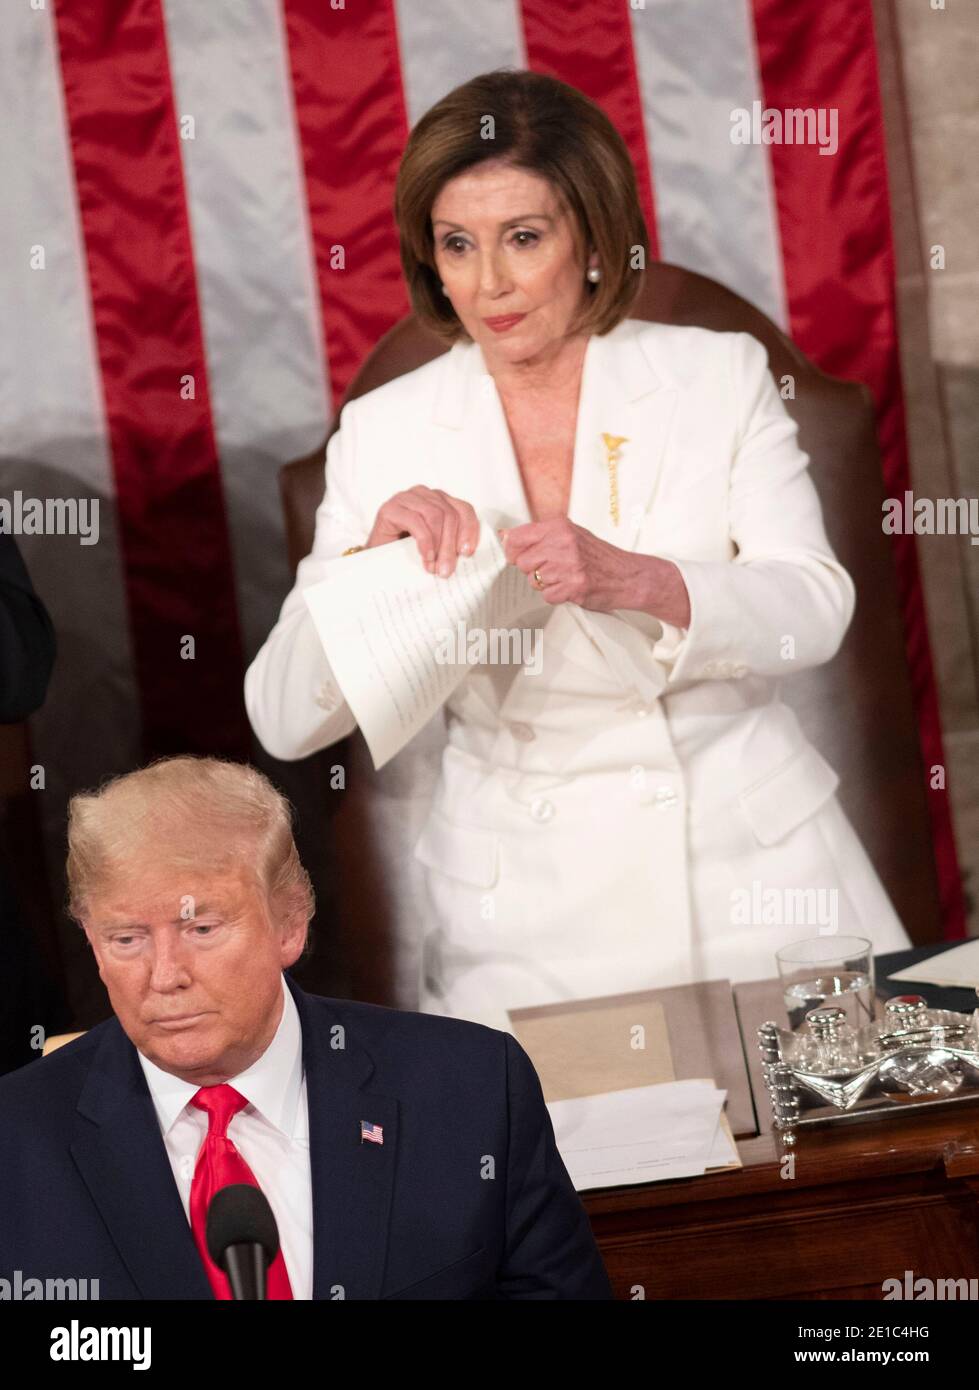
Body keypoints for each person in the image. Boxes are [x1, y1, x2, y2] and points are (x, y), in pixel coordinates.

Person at [244, 68, 911, 1035]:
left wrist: (639, 581)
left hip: (753, 881)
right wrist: (365, 574)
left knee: (841, 1180)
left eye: (524, 238)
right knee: (561, 1182)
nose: (489, 284)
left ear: (596, 236)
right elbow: (281, 719)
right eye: (456, 246)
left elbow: (813, 605)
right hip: (525, 916)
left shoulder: (713, 375)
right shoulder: (385, 430)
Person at [0, 756, 611, 1300]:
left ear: (289, 924)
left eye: (201, 929)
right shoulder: (16, 1141)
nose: (165, 976)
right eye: (127, 938)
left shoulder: (471, 1092)